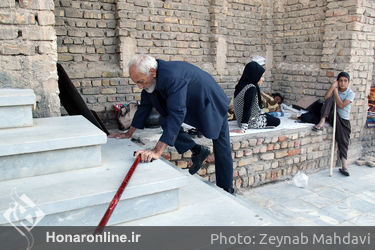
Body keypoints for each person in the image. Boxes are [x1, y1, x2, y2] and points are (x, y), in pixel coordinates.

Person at [109, 54, 234, 194]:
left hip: (211, 101)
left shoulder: (173, 77)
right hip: (192, 102)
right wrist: (128, 133)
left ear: (152, 72)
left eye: (141, 81)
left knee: (221, 145)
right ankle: (198, 151)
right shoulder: (150, 80)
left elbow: (177, 114)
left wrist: (157, 151)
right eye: (136, 82)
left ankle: (227, 189)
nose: (139, 86)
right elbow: (144, 107)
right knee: (164, 120)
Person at [312, 72, 355, 176]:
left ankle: (344, 166)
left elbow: (341, 105)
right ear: (337, 81)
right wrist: (332, 87)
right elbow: (326, 98)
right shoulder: (335, 88)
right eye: (340, 81)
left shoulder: (350, 93)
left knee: (343, 142)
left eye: (345, 81)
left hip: (343, 121)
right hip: (333, 116)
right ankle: (322, 121)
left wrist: (335, 91)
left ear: (348, 82)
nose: (342, 83)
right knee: (329, 99)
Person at [233, 61, 280, 132]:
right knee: (277, 121)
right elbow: (247, 108)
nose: (263, 79)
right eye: (261, 76)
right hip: (251, 121)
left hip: (241, 120)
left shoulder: (240, 85)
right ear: (255, 75)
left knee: (269, 116)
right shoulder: (251, 88)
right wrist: (243, 128)